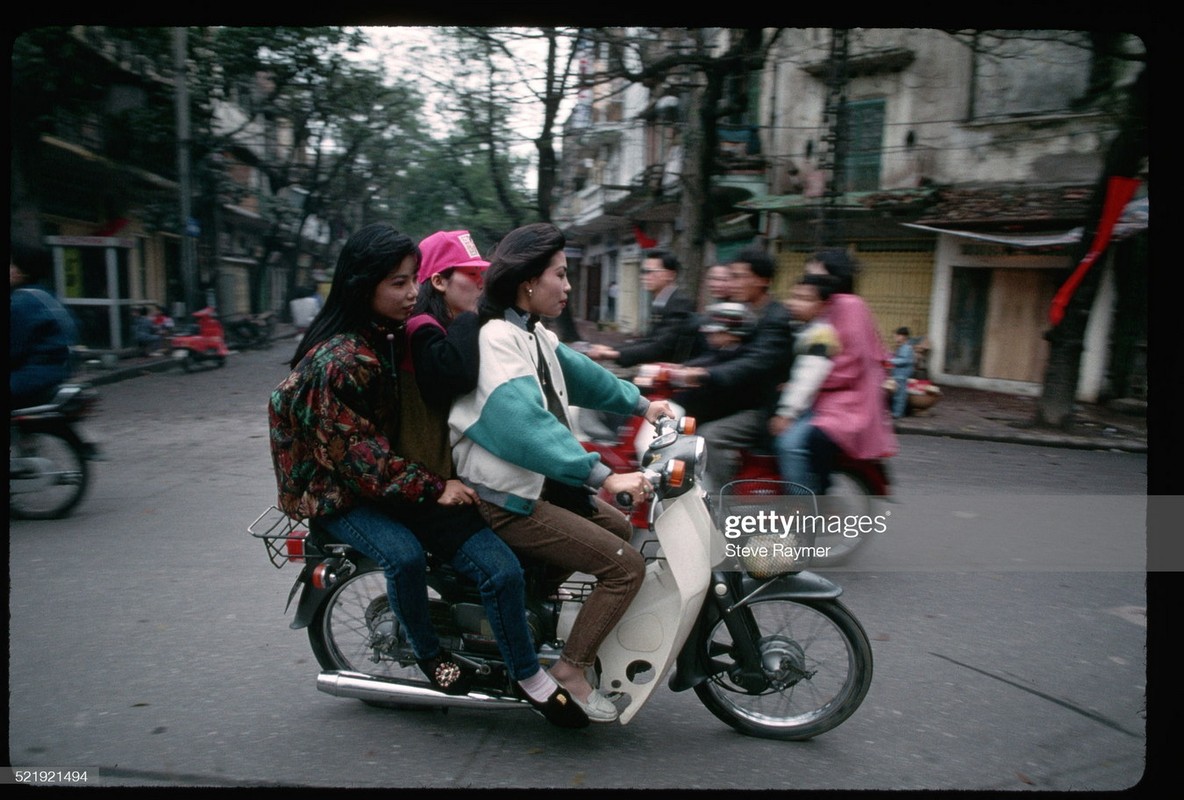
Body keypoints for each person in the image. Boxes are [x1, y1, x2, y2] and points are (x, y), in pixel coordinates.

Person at [268, 223, 588, 729]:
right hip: (338, 494)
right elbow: (361, 458)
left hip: (396, 482)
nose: (411, 292)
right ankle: (432, 656)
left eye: (413, 279)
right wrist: (438, 486)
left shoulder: (396, 334)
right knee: (404, 554)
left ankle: (524, 664)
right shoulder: (340, 358)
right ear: (361, 284)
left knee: (501, 570)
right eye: (398, 282)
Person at [449, 222, 676, 723]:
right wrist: (601, 476)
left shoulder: (531, 334)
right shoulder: (497, 340)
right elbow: (526, 425)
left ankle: (524, 617)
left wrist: (644, 405)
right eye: (561, 274)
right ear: (529, 280)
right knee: (624, 565)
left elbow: (582, 374)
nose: (568, 286)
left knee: (618, 528)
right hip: (503, 499)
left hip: (532, 489)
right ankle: (572, 669)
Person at [669, 245, 795, 493]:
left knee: (711, 435)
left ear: (761, 280)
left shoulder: (775, 319)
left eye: (739, 277)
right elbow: (720, 352)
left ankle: (724, 502)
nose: (732, 283)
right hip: (738, 396)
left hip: (763, 405)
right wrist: (682, 368)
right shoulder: (745, 311)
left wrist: (706, 374)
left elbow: (753, 362)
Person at [778, 248, 898, 495]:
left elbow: (850, 360)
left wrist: (812, 382)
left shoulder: (848, 304)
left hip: (849, 400)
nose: (811, 277)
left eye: (817, 272)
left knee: (791, 443)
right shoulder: (827, 303)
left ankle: (807, 505)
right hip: (830, 394)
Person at [768, 275, 843, 491]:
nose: (794, 302)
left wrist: (786, 413)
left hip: (811, 407)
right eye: (793, 296)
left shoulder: (821, 335)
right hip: (799, 401)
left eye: (804, 299)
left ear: (821, 306)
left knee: (789, 445)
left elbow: (808, 376)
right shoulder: (800, 329)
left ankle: (803, 506)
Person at [586, 249, 702, 367]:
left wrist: (612, 354)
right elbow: (649, 340)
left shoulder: (679, 303)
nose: (644, 277)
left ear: (670, 275)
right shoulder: (662, 301)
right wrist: (611, 349)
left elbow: (660, 346)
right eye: (643, 272)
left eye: (651, 272)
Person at [10, 242, 79, 409]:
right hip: (59, 370)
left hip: (33, 375)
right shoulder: (46, 296)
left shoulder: (20, 302)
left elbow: (13, 349)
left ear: (22, 272)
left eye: (11, 265)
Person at [671, 301, 758, 424]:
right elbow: (708, 360)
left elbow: (723, 373)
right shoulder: (719, 350)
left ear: (734, 334)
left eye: (717, 331)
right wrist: (682, 368)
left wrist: (698, 374)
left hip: (723, 412)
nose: (710, 334)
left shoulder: (741, 356)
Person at [888, 326, 916, 419]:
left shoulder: (906, 348)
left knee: (900, 396)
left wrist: (891, 361)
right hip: (899, 374)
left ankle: (897, 413)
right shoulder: (903, 347)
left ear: (903, 336)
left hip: (902, 374)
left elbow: (904, 360)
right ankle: (896, 412)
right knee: (897, 395)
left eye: (897, 335)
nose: (895, 338)